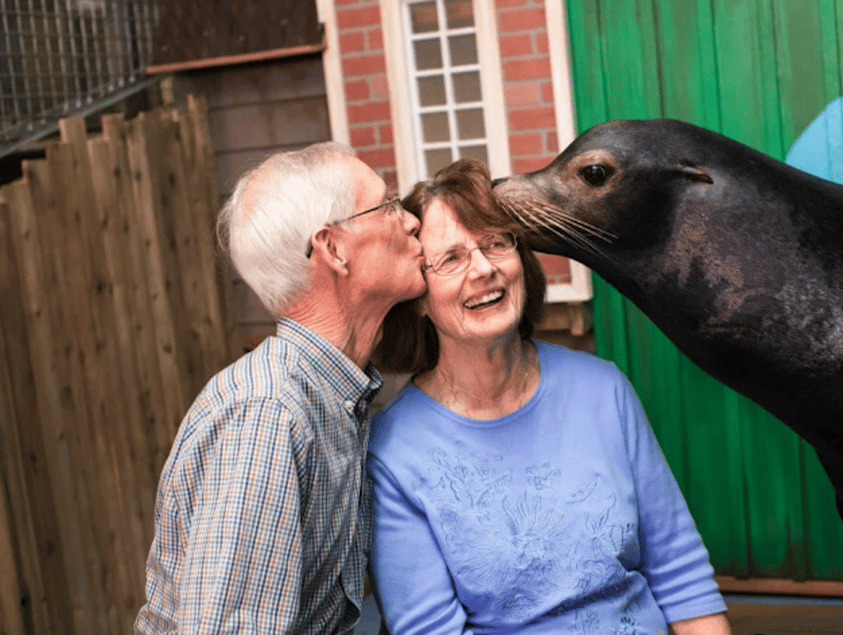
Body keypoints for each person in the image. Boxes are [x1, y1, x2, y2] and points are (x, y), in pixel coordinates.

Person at [367, 159, 731, 635]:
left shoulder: (602, 390)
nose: (483, 269)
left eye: (496, 243)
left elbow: (680, 575)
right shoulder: (396, 452)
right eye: (451, 258)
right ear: (419, 296)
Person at [134, 141, 426, 633]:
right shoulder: (268, 415)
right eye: (388, 204)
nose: (411, 221)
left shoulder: (332, 395)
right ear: (333, 248)